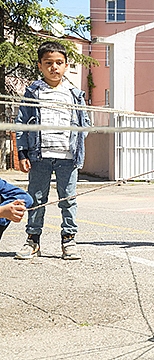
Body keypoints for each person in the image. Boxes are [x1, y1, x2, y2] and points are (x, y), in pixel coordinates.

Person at [14, 41, 91, 260]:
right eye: (48, 63)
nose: (54, 67)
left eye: (59, 63)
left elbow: (85, 124)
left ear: (67, 65)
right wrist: (22, 153)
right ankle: (33, 240)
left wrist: (77, 143)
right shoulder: (33, 93)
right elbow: (22, 125)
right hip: (40, 157)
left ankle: (69, 240)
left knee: (68, 199)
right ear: (40, 65)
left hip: (67, 157)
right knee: (36, 198)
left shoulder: (74, 94)